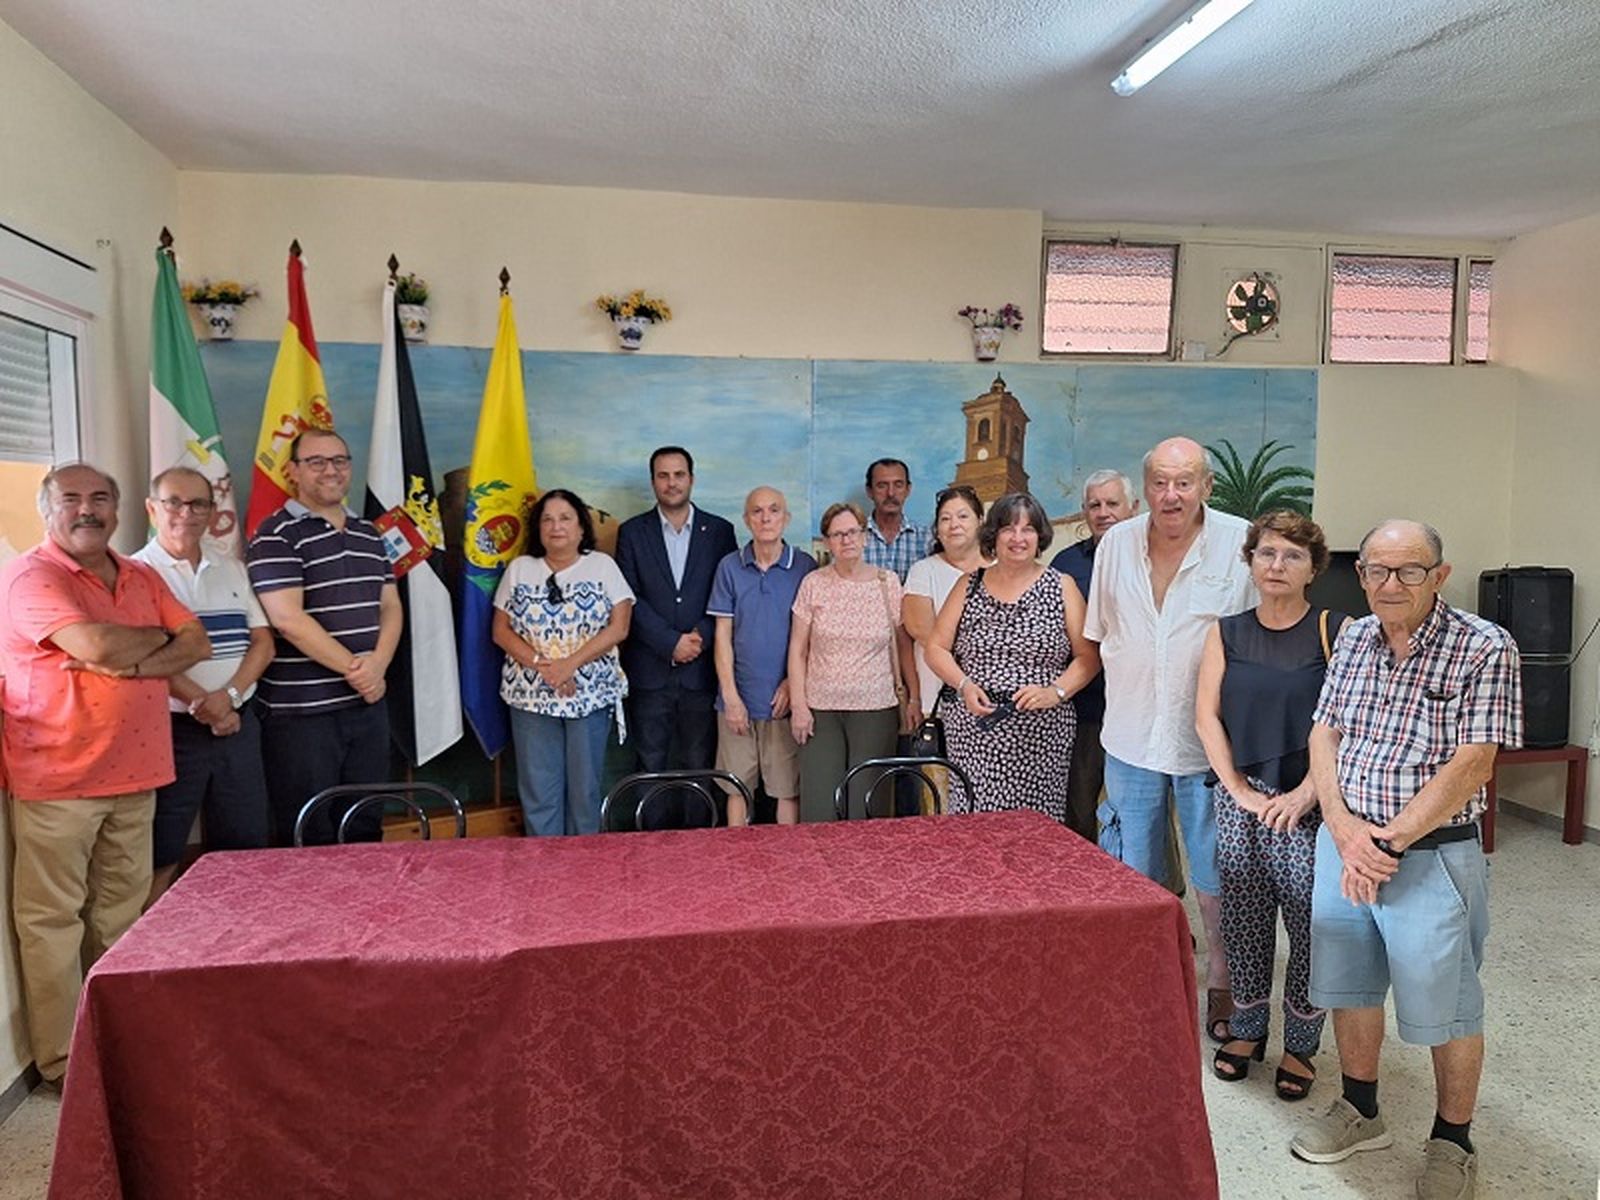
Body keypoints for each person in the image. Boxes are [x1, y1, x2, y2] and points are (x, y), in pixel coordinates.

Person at [1289, 521, 1520, 1200]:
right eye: (1377, 570)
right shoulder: (1355, 636)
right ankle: (1361, 1109)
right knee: (1350, 984)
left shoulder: (1483, 647)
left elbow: (1473, 763)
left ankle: (1454, 1142)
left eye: (1408, 571)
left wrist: (1385, 842)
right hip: (1346, 847)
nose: (1391, 585)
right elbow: (1324, 733)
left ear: (1439, 576)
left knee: (1447, 1007)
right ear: (1360, 575)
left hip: (1428, 857)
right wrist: (1341, 827)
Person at [1, 463, 209, 1088]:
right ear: (48, 509)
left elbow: (197, 642)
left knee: (122, 917)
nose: (87, 509)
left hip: (138, 770)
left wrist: (133, 655)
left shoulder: (141, 574)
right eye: (71, 498)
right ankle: (66, 1063)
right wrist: (148, 642)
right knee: (52, 922)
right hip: (57, 777)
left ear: (120, 510)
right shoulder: (29, 576)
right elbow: (92, 646)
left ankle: (116, 1039)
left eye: (100, 498)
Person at [1083, 436, 1255, 1043]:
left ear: (1206, 486)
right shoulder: (1117, 545)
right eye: (1159, 481)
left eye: (1184, 482)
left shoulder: (1240, 543)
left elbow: (1260, 637)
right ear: (1145, 485)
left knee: (1213, 878)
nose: (1170, 494)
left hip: (1208, 745)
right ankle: (1147, 983)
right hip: (1128, 737)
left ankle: (1224, 986)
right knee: (1135, 874)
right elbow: (1103, 633)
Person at [1195, 510, 1351, 1101]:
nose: (1276, 566)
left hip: (1312, 801)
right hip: (1243, 799)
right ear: (1250, 561)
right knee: (1244, 918)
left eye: (1291, 556)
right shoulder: (1226, 631)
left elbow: (1348, 723)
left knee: (1310, 924)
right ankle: (1250, 1028)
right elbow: (1206, 714)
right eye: (1266, 554)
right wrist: (1235, 788)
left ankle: (1303, 1046)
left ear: (1314, 567)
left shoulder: (1336, 630)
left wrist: (1309, 792)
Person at [246, 430, 402, 846]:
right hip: (302, 716)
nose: (330, 470)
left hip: (367, 708)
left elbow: (390, 606)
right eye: (316, 461)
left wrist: (378, 667)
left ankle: (366, 913)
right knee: (308, 832)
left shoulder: (370, 533)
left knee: (365, 825)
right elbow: (288, 619)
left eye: (340, 460)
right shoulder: (274, 535)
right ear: (292, 471)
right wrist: (360, 671)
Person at [133, 467, 274, 902]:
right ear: (152, 509)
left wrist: (228, 701)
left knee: (248, 845)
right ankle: (150, 956)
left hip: (238, 726)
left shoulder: (231, 567)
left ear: (213, 512)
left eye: (199, 504)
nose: (186, 513)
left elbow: (263, 644)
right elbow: (145, 657)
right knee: (161, 849)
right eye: (174, 502)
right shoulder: (134, 574)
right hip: (171, 733)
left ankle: (239, 946)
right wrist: (206, 706)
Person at [925, 492, 1099, 822]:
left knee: (1036, 831)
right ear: (994, 535)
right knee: (976, 827)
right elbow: (935, 648)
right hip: (976, 731)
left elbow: (1088, 657)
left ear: (1040, 536)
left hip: (1042, 736)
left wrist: (1056, 692)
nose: (1018, 538)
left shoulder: (1061, 586)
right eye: (1008, 529)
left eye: (1028, 529)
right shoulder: (969, 585)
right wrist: (962, 684)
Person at [494, 489, 634, 836]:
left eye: (565, 518)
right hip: (531, 698)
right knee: (539, 793)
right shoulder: (520, 570)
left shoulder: (603, 566)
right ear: (538, 529)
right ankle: (544, 876)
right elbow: (501, 632)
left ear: (582, 528)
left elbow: (620, 626)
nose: (556, 526)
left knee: (584, 791)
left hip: (589, 697)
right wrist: (546, 666)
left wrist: (569, 665)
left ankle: (582, 877)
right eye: (548, 519)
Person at [615, 447, 738, 787]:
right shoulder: (632, 532)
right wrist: (670, 642)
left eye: (679, 475)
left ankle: (698, 842)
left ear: (692, 479)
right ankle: (649, 840)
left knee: (699, 764)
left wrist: (698, 638)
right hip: (650, 670)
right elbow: (628, 597)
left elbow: (727, 595)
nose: (672, 483)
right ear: (653, 481)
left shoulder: (719, 531)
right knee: (649, 765)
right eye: (663, 475)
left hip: (701, 672)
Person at [788, 502, 912, 822]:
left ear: (865, 536)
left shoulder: (888, 583)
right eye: (837, 534)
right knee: (820, 805)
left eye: (852, 532)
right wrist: (799, 707)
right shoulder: (813, 583)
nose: (846, 540)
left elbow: (903, 644)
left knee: (867, 805)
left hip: (875, 708)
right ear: (827, 541)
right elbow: (798, 649)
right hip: (820, 710)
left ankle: (866, 871)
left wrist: (914, 697)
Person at [707, 487, 816, 825]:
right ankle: (736, 867)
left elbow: (811, 638)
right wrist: (730, 697)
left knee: (787, 790)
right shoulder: (729, 567)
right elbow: (722, 637)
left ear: (786, 518)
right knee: (736, 789)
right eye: (757, 511)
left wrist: (791, 685)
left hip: (782, 703)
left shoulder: (804, 567)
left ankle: (788, 867)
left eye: (773, 510)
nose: (765, 518)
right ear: (746, 519)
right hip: (737, 702)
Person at [1049, 469, 1139, 840]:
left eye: (1112, 503)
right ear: (1085, 512)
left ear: (1133, 507)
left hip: (1139, 710)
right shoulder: (1065, 565)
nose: (1103, 512)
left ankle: (1160, 891)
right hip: (1086, 708)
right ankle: (1082, 887)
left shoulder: (1153, 559)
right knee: (1079, 805)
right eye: (1094, 505)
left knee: (1141, 811)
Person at [901, 486, 988, 809]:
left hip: (991, 705)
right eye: (945, 519)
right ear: (936, 528)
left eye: (963, 516)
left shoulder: (1000, 570)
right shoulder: (924, 571)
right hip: (938, 704)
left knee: (984, 794)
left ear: (980, 520)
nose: (954, 525)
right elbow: (923, 631)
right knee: (938, 801)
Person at [861, 458, 929, 582]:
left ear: (908, 489)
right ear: (869, 491)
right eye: (882, 486)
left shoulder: (926, 540)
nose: (891, 493)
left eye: (898, 485)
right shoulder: (853, 539)